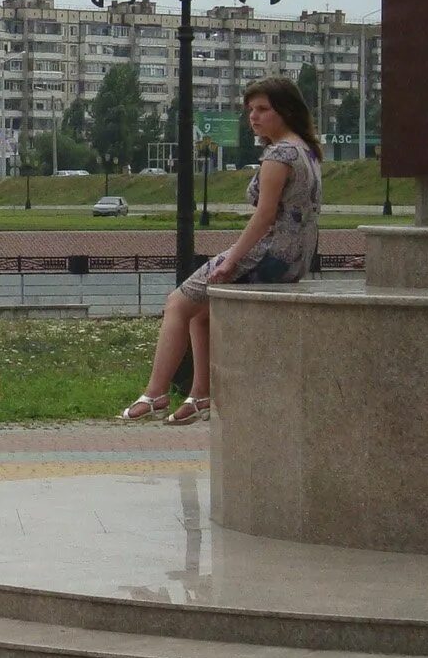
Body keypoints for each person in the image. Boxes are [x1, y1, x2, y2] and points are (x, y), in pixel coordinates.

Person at [119, 75, 323, 424]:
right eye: (250, 110)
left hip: (268, 252)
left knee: (177, 304)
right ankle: (200, 394)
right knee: (202, 315)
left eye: (263, 109)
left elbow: (264, 216)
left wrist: (232, 259)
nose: (253, 118)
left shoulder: (280, 154)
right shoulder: (307, 149)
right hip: (295, 259)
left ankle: (155, 393)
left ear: (285, 111)